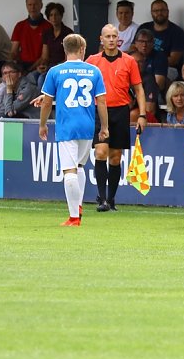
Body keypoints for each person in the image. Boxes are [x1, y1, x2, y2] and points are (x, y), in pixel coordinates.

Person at [39, 33, 109, 226]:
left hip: (66, 125)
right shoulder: (94, 71)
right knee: (79, 166)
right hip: (87, 125)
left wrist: (43, 124)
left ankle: (73, 218)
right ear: (82, 50)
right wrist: (104, 126)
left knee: (69, 171)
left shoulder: (55, 71)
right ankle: (78, 206)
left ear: (65, 49)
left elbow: (47, 102)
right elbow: (101, 101)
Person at [86, 24, 147, 212]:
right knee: (100, 152)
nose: (111, 39)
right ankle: (102, 198)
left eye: (114, 36)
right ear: (101, 39)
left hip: (121, 111)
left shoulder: (129, 61)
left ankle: (111, 199)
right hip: (98, 110)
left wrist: (142, 114)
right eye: (108, 36)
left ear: (118, 39)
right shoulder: (92, 61)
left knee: (115, 157)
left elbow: (138, 89)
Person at [138, 0, 184, 80]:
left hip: (168, 68)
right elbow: (133, 48)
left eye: (162, 10)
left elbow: (173, 60)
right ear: (151, 13)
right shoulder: (144, 27)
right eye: (156, 11)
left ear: (168, 11)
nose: (159, 13)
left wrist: (151, 62)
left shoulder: (177, 32)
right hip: (143, 65)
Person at [10, 0, 52, 75]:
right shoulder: (19, 26)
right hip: (22, 66)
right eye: (30, 5)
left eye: (35, 4)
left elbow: (45, 57)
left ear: (41, 5)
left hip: (40, 66)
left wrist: (29, 70)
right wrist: (16, 65)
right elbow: (14, 52)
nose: (32, 7)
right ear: (26, 6)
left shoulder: (48, 27)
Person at [40, 2, 74, 74]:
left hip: (63, 67)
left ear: (61, 16)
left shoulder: (68, 33)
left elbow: (68, 58)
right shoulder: (47, 33)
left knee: (41, 79)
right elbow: (45, 57)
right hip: (49, 66)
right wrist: (42, 65)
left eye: (56, 14)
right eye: (51, 15)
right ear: (48, 17)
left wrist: (54, 67)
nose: (54, 18)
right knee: (32, 76)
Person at [131, 29, 169, 94]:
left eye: (148, 41)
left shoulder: (160, 57)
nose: (144, 45)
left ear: (153, 43)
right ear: (136, 43)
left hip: (152, 92)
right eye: (141, 41)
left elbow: (159, 84)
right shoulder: (129, 56)